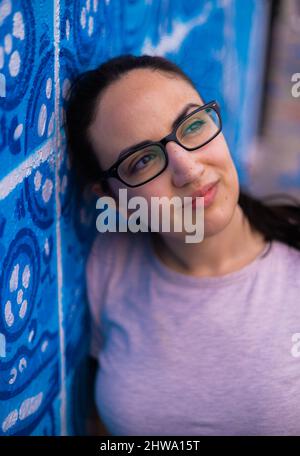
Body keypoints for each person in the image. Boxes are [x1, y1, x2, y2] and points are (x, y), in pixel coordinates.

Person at [64, 54, 300, 436]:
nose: (188, 169)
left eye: (192, 126)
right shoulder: (109, 264)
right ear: (110, 198)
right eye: (141, 161)